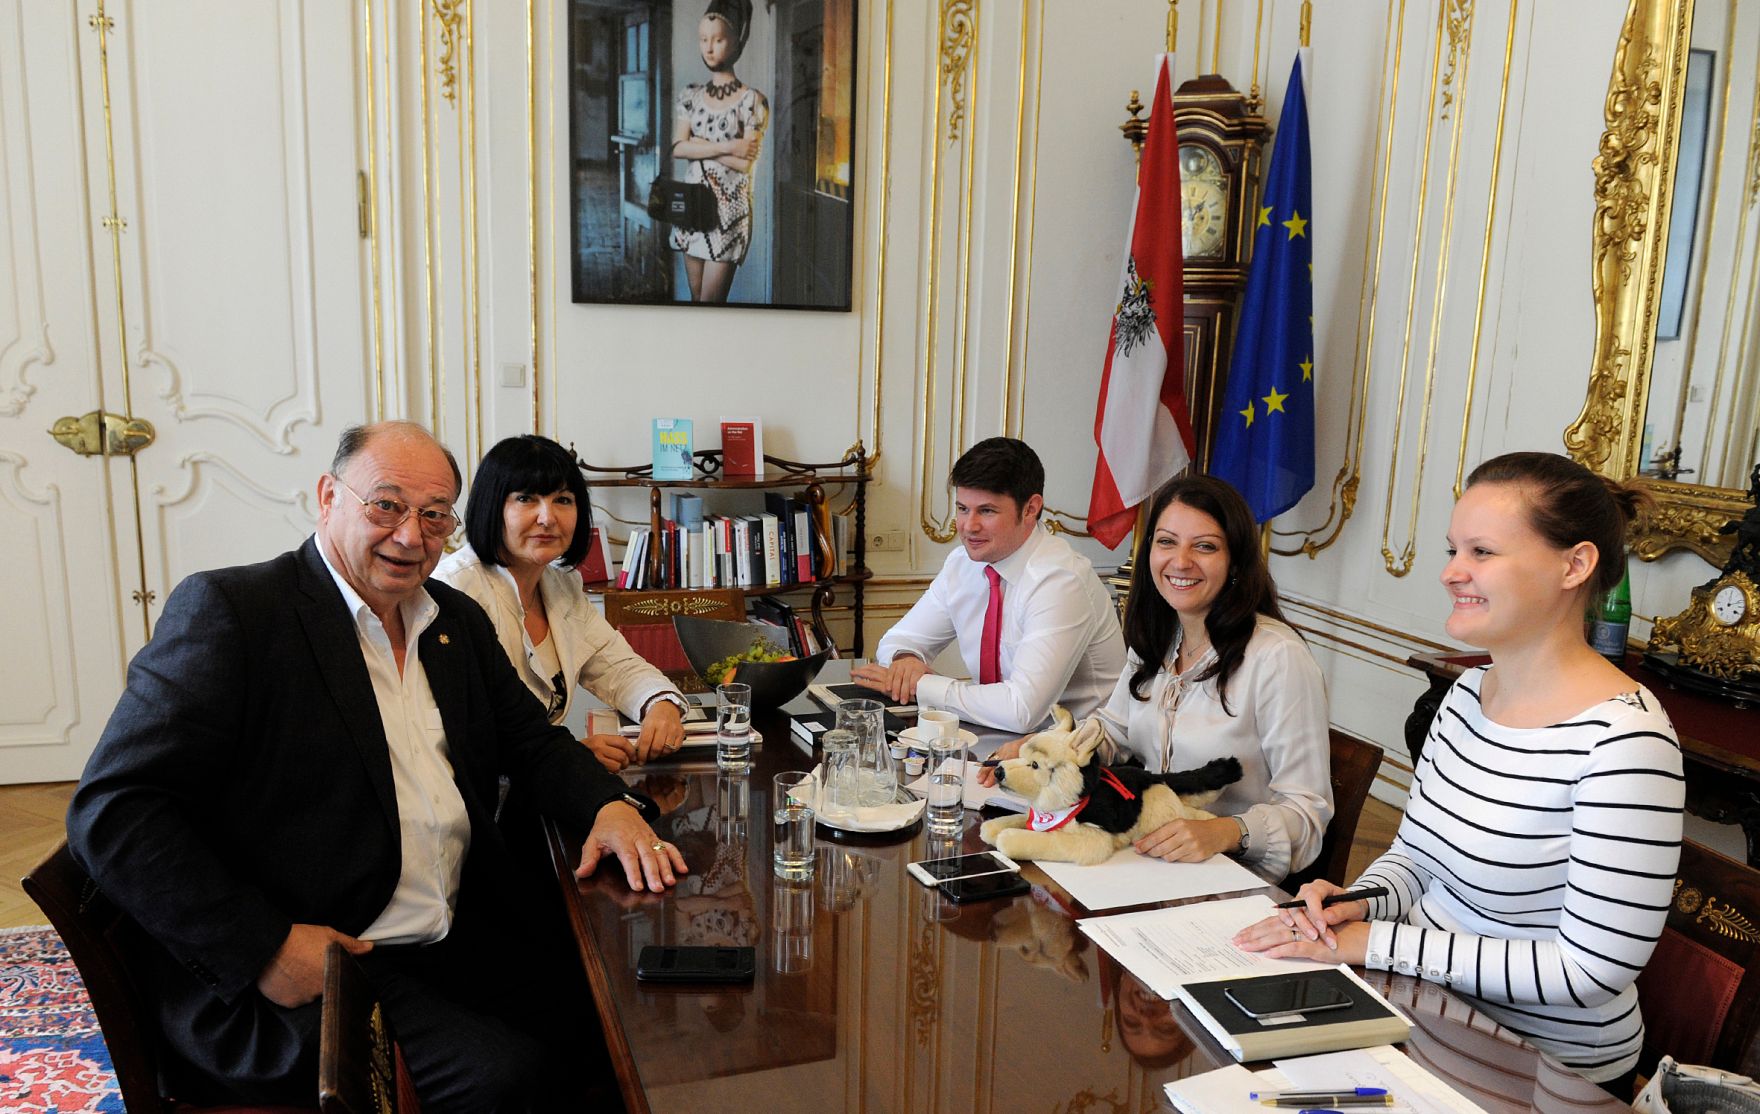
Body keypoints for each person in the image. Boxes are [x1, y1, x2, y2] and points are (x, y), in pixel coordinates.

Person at [65, 421, 689, 1111]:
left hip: (449, 932)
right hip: (321, 967)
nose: (411, 535)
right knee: (513, 1078)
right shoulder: (237, 613)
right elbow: (114, 809)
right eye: (385, 505)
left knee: (621, 1013)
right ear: (328, 495)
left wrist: (609, 808)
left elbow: (532, 743)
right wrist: (264, 947)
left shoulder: (453, 621)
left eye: (432, 515)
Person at [1234, 451, 1683, 1094]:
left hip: (1549, 1071)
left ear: (1575, 565)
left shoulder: (1628, 741)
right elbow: (1417, 859)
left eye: (1482, 552)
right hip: (1426, 1013)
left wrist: (1371, 943)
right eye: (1453, 550)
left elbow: (1589, 971)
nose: (1451, 573)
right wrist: (1350, 905)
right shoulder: (1468, 694)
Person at [981, 474, 1332, 884]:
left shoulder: (1278, 657)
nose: (1180, 561)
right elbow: (1114, 730)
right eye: (1166, 542)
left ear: (1235, 560)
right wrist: (1051, 749)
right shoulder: (1160, 636)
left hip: (1230, 878)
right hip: (1142, 858)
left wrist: (1225, 832)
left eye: (1205, 546)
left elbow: (1308, 812)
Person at [435, 434, 687, 772]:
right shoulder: (453, 590)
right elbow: (459, 732)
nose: (547, 517)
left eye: (563, 500)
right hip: (478, 800)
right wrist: (565, 756)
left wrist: (660, 703)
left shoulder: (561, 584)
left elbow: (617, 665)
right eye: (526, 498)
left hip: (538, 785)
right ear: (492, 506)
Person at [852, 437, 1126, 732]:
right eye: (962, 509)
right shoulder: (962, 564)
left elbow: (1021, 711)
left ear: (1031, 508)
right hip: (995, 738)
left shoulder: (1060, 580)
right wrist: (906, 661)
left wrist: (923, 685)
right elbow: (897, 640)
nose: (969, 526)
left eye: (986, 511)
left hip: (1080, 755)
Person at [668, 0, 769, 303]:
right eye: (703, 39)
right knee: (695, 298)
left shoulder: (753, 100)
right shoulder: (691, 95)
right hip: (692, 210)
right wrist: (727, 146)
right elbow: (677, 147)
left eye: (718, 39)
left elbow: (744, 164)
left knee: (710, 304)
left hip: (728, 215)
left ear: (737, 39)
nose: (709, 48)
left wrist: (698, 145)